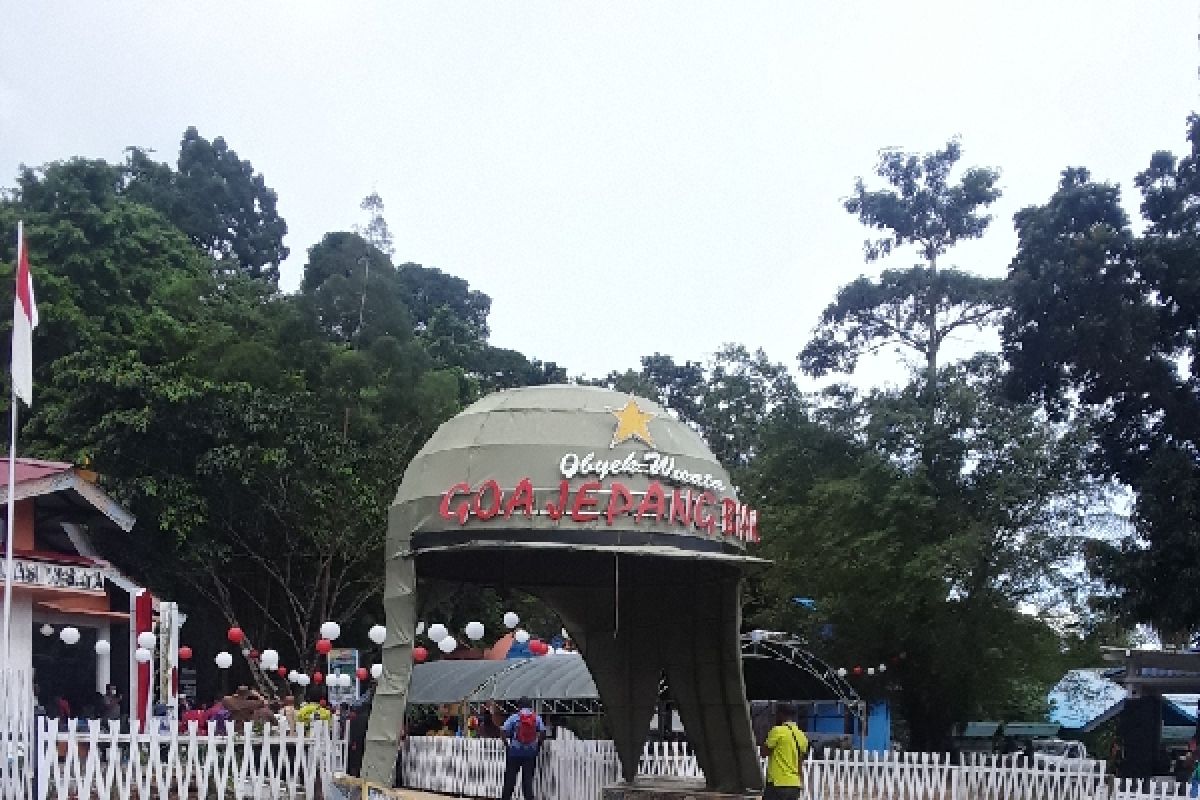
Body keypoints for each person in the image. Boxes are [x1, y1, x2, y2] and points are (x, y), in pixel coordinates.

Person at [759, 702, 809, 800]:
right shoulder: (802, 735)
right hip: (794, 785)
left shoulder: (777, 731)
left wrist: (765, 737)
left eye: (776, 714)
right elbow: (799, 763)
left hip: (777, 784)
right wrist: (801, 783)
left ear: (781, 714)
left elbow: (763, 753)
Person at [501, 697, 544, 800]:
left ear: (519, 706)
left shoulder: (514, 717)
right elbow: (542, 732)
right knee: (528, 780)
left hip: (514, 752)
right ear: (530, 706)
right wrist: (538, 746)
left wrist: (507, 745)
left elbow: (502, 731)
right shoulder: (536, 718)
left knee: (510, 779)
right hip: (530, 753)